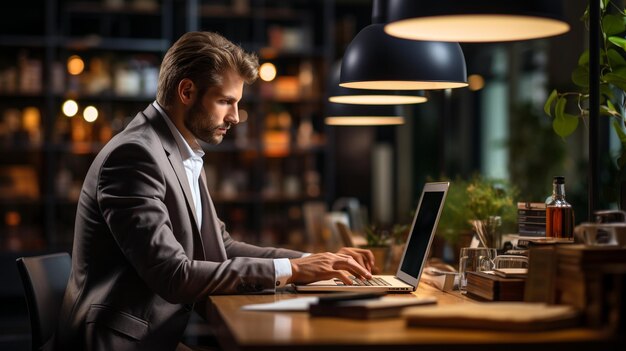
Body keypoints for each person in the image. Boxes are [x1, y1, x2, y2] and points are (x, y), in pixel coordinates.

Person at [55, 31, 375, 351]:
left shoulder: (178, 151)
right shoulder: (134, 157)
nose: (234, 117)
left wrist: (315, 262)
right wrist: (291, 270)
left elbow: (223, 247)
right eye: (226, 101)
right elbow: (173, 275)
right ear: (187, 91)